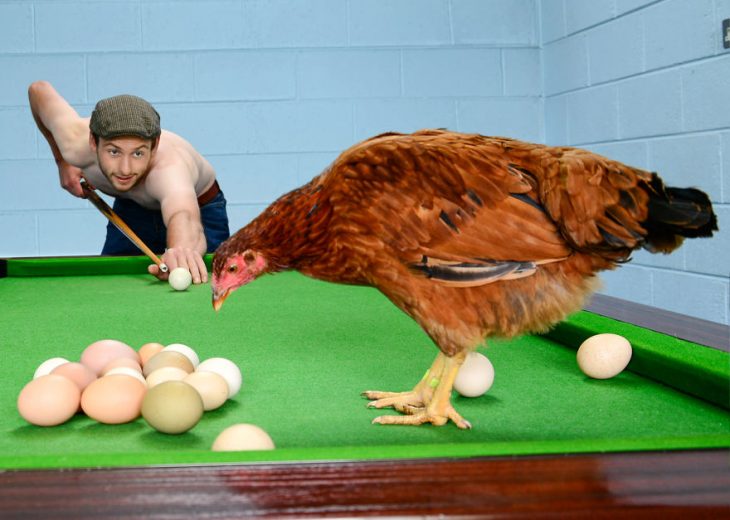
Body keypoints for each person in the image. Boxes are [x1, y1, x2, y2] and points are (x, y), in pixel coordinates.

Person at [28, 81, 229, 285]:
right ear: (92, 142)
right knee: (116, 288)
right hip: (132, 209)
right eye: (114, 151)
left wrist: (180, 250)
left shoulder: (169, 169)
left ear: (155, 145)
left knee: (207, 287)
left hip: (201, 208)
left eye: (138, 153)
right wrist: (62, 161)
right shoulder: (73, 143)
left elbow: (183, 214)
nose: (125, 169)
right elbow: (38, 91)